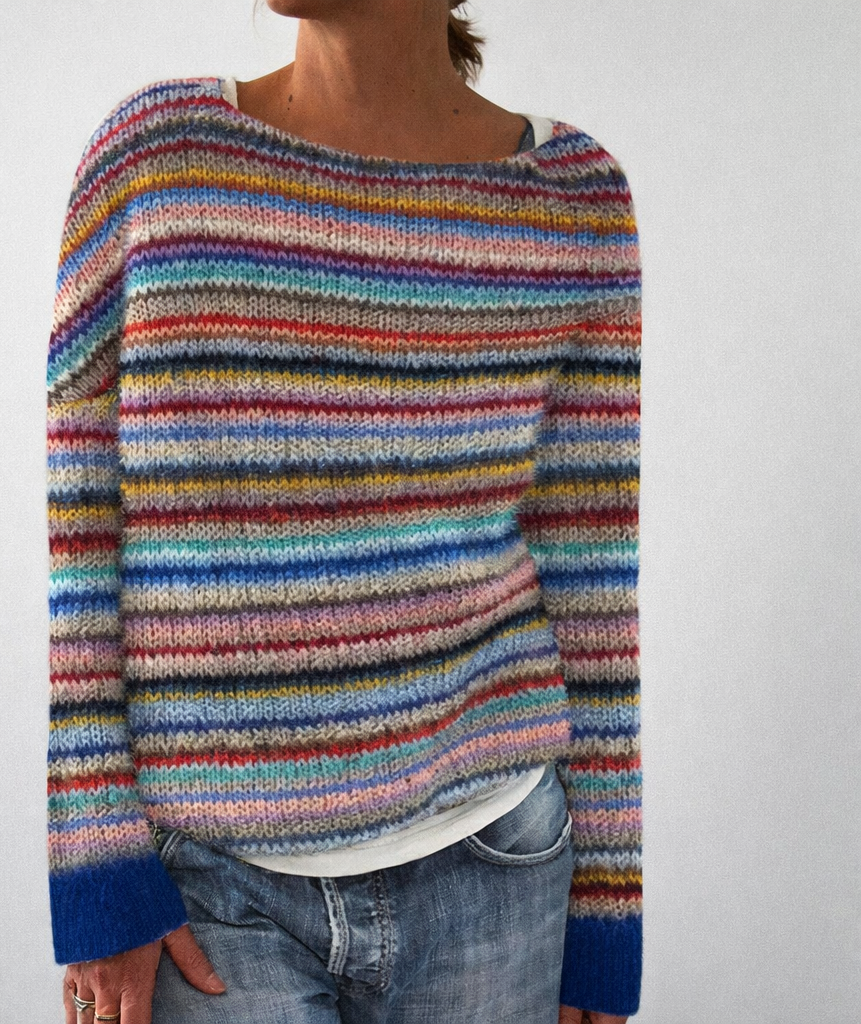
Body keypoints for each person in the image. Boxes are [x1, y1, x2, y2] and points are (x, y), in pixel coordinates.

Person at [45, 2, 642, 1022]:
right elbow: (80, 525)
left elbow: (591, 570)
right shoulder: (156, 159)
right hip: (209, 888)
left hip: (498, 864)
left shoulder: (572, 199)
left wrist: (608, 907)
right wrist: (98, 865)